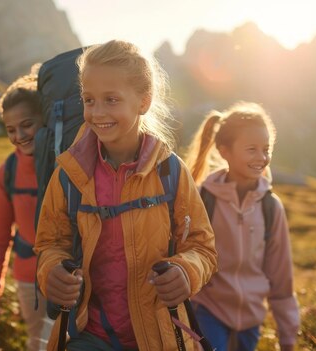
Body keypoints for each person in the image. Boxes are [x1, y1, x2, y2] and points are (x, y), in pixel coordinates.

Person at [34, 40, 218, 351]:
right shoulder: (68, 174)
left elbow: (202, 247)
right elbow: (51, 243)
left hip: (159, 337)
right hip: (87, 335)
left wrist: (187, 271)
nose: (97, 112)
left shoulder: (171, 172)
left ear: (143, 102)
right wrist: (51, 270)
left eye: (112, 99)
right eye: (89, 100)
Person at [185, 102, 300, 351]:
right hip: (207, 310)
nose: (262, 158)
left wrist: (288, 335)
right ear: (224, 151)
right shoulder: (203, 199)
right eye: (252, 149)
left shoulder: (271, 208)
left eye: (266, 149)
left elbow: (282, 278)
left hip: (251, 319)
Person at [0, 69, 54, 351]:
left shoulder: (68, 163)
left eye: (27, 125)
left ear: (43, 119)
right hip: (29, 280)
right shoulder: (7, 173)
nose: (19, 136)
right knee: (39, 344)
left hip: (74, 277)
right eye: (11, 129)